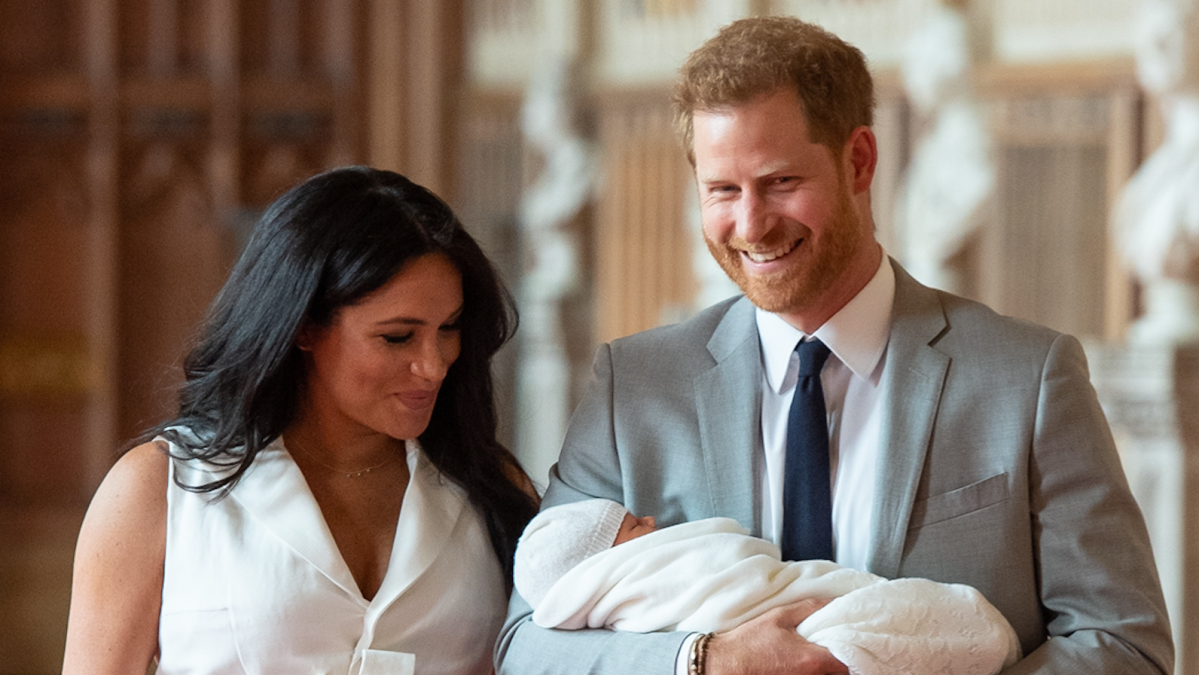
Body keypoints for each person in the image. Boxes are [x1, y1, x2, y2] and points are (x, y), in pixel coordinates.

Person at [496, 15, 1173, 675]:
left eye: (780, 183)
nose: (751, 224)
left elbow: (1122, 642)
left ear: (858, 160)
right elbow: (524, 647)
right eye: (723, 190)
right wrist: (702, 661)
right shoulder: (633, 385)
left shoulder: (1028, 376)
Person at [62, 166, 540, 675]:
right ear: (304, 327)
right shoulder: (161, 488)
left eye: (448, 329)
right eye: (398, 336)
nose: (434, 363)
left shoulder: (492, 488)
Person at [513, 499, 1020, 675]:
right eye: (634, 527)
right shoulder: (624, 380)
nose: (651, 519)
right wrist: (704, 660)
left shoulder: (1038, 368)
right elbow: (522, 650)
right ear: (605, 563)